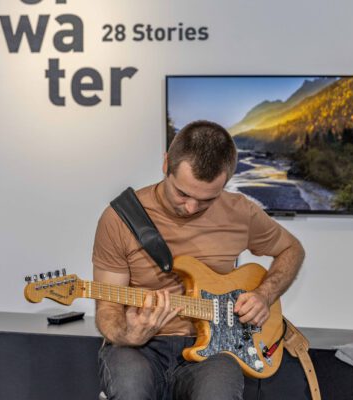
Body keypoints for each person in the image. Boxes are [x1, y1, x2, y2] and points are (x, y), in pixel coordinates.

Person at [92, 120, 305, 400]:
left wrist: (264, 295)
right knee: (131, 391)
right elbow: (107, 308)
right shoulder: (120, 218)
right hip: (139, 346)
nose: (191, 207)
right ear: (166, 163)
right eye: (182, 193)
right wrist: (128, 334)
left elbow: (292, 249)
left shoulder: (240, 212)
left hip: (216, 349)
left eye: (207, 199)